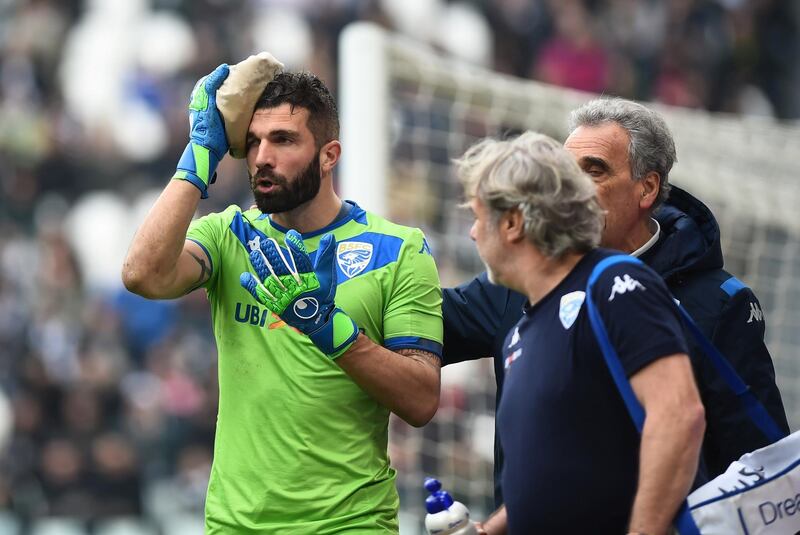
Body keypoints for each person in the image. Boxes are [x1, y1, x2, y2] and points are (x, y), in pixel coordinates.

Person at [122, 64, 443, 533]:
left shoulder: (397, 250)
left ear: (329, 154)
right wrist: (197, 158)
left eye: (283, 140)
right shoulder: (230, 235)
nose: (262, 157)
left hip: (350, 523)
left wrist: (330, 329)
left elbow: (420, 401)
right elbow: (142, 275)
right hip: (236, 524)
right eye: (253, 142)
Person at [443, 98, 790, 520]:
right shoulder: (522, 288)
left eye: (595, 170)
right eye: (568, 173)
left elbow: (758, 461)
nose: (574, 188)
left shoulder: (706, 300)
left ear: (647, 188)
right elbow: (562, 461)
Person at [456, 131, 705, 534]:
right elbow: (559, 469)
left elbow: (679, 416)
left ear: (514, 223)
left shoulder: (614, 284)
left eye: (478, 216)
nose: (471, 232)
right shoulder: (523, 327)